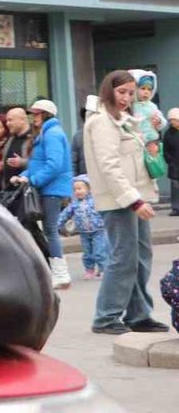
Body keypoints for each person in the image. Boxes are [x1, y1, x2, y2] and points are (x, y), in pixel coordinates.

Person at [86, 70, 168, 335]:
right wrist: (134, 201)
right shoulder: (102, 121)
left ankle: (139, 314)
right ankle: (106, 317)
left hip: (135, 196)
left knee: (141, 257)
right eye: (121, 92)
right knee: (123, 258)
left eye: (131, 93)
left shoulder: (125, 119)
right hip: (119, 200)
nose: (126, 97)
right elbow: (109, 167)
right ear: (108, 90)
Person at [10, 100, 74, 289]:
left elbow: (54, 165)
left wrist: (32, 180)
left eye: (37, 114)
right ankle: (59, 273)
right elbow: (37, 163)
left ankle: (61, 274)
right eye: (33, 114)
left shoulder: (52, 134)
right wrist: (23, 175)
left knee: (51, 231)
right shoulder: (45, 133)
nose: (33, 117)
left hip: (52, 189)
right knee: (49, 230)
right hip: (49, 188)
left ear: (46, 114)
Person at [57, 176, 107, 280]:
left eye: (80, 188)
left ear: (89, 189)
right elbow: (65, 214)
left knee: (99, 252)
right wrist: (57, 225)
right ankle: (89, 270)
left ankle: (103, 269)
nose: (77, 191)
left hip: (99, 230)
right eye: (75, 189)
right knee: (87, 253)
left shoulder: (95, 201)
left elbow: (104, 211)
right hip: (84, 232)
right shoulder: (74, 204)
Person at [130, 69, 164, 144]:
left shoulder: (152, 106)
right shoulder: (130, 105)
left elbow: (161, 119)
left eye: (149, 89)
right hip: (136, 141)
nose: (146, 92)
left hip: (152, 140)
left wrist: (159, 121)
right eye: (143, 88)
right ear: (135, 89)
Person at [70, 95, 97, 180]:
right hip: (83, 181)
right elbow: (73, 162)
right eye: (88, 114)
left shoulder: (108, 134)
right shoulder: (78, 136)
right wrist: (75, 180)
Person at [164, 108, 179, 216]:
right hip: (174, 165)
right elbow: (165, 150)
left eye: (174, 119)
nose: (172, 122)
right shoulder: (168, 134)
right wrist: (169, 161)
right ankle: (176, 208)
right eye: (170, 120)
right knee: (175, 188)